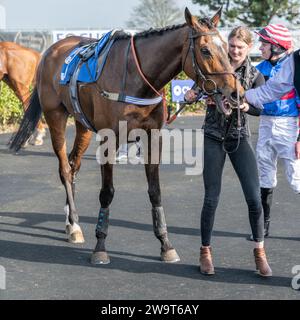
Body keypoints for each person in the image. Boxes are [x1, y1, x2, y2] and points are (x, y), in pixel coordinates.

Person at [185, 26, 272, 277]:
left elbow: (260, 108)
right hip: (213, 136)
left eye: (240, 47)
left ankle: (259, 253)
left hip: (239, 137)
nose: (235, 50)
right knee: (211, 198)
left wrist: (246, 105)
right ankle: (205, 252)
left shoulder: (255, 76)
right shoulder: (213, 67)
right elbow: (195, 92)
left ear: (249, 49)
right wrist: (191, 96)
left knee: (254, 198)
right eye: (232, 45)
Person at [247, 24, 300, 241]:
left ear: (276, 47)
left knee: (296, 178)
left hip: (289, 126)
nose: (260, 47)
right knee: (264, 173)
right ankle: (263, 226)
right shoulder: (259, 68)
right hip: (267, 124)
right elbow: (251, 96)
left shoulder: (293, 65)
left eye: (264, 43)